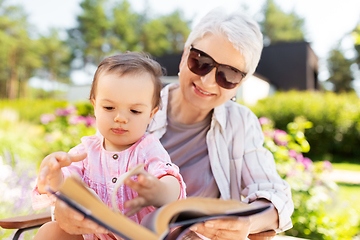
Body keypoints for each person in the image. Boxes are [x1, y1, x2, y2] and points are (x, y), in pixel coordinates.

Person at [52, 8, 294, 240]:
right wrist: (65, 208)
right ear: (184, 56)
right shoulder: (136, 105)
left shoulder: (240, 123)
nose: (208, 82)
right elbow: (89, 174)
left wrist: (248, 223)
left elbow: (275, 196)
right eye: (201, 61)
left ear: (239, 84)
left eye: (228, 75)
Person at [31, 52, 186, 240]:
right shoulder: (86, 151)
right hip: (95, 236)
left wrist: (159, 190)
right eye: (109, 108)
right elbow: (65, 186)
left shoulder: (147, 149)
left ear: (151, 114)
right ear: (95, 106)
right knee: (51, 231)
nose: (120, 118)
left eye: (135, 111)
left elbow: (171, 181)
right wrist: (53, 173)